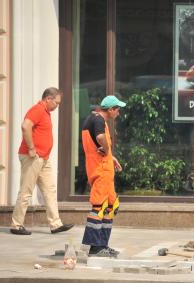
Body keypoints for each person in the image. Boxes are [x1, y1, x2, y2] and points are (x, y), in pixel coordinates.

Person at [10, 87, 74, 235]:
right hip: (32, 157)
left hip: (43, 158)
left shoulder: (45, 112)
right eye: (56, 103)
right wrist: (31, 148)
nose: (57, 106)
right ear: (48, 99)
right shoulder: (38, 109)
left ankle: (55, 224)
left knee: (50, 190)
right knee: (26, 191)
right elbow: (25, 126)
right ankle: (16, 225)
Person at [80, 95, 126, 257]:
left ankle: (101, 245)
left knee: (111, 206)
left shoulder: (91, 119)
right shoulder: (99, 120)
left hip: (102, 169)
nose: (118, 113)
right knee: (99, 206)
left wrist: (110, 156)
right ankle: (94, 246)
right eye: (118, 110)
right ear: (111, 109)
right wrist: (106, 150)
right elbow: (100, 138)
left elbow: (94, 144)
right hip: (101, 172)